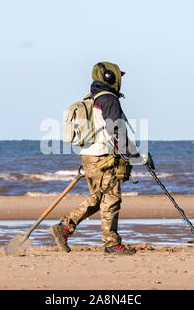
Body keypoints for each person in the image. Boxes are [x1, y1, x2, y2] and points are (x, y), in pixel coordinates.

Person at [51, 61, 142, 255]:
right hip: (103, 156)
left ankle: (64, 228)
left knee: (97, 198)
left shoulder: (92, 98)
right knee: (111, 198)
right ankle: (111, 243)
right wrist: (132, 153)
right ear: (110, 77)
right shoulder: (109, 99)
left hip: (88, 155)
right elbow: (116, 129)